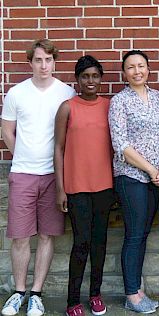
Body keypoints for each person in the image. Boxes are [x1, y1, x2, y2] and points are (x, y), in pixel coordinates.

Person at [0, 39, 75, 316]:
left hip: (54, 176)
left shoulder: (66, 93)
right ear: (30, 62)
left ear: (54, 62)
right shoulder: (17, 93)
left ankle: (36, 294)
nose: (44, 65)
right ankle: (19, 292)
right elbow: (7, 131)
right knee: (20, 237)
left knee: (47, 235)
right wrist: (24, 155)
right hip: (22, 174)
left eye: (49, 60)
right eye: (39, 60)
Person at [108, 50, 159, 314]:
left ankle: (137, 289)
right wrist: (150, 168)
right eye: (131, 67)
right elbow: (121, 144)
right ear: (124, 73)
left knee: (143, 233)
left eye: (141, 65)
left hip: (156, 177)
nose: (137, 71)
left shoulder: (158, 98)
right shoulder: (119, 101)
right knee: (133, 235)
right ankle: (131, 294)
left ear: (148, 69)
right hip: (130, 175)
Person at [54, 55, 114, 316]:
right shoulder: (67, 107)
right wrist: (60, 188)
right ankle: (72, 300)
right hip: (76, 186)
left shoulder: (109, 106)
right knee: (81, 243)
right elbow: (58, 148)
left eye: (95, 76)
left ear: (100, 79)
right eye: (85, 76)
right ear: (77, 80)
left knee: (100, 242)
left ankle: (95, 294)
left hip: (104, 186)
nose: (91, 81)